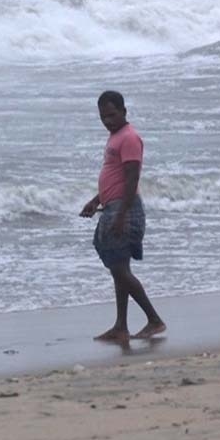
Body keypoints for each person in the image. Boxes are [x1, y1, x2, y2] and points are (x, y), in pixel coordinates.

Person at [79, 90, 166, 341]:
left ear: (124, 111)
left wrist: (120, 215)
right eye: (103, 117)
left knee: (119, 270)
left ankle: (154, 320)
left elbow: (131, 179)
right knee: (119, 270)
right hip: (113, 207)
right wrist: (96, 200)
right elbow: (115, 179)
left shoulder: (129, 138)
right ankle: (121, 326)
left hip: (124, 210)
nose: (107, 121)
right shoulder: (116, 137)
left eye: (112, 115)